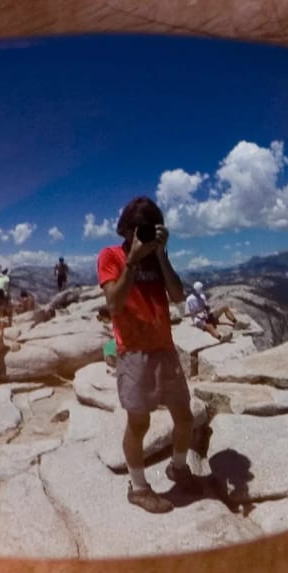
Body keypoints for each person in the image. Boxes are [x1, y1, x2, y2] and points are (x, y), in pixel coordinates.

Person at [98, 195, 199, 514]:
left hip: (164, 349)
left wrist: (162, 255)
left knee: (184, 416)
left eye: (150, 229)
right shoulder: (110, 256)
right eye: (137, 230)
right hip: (134, 351)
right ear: (125, 229)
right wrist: (132, 261)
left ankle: (178, 468)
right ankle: (139, 488)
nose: (140, 235)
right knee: (139, 423)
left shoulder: (156, 258)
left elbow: (179, 296)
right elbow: (114, 304)